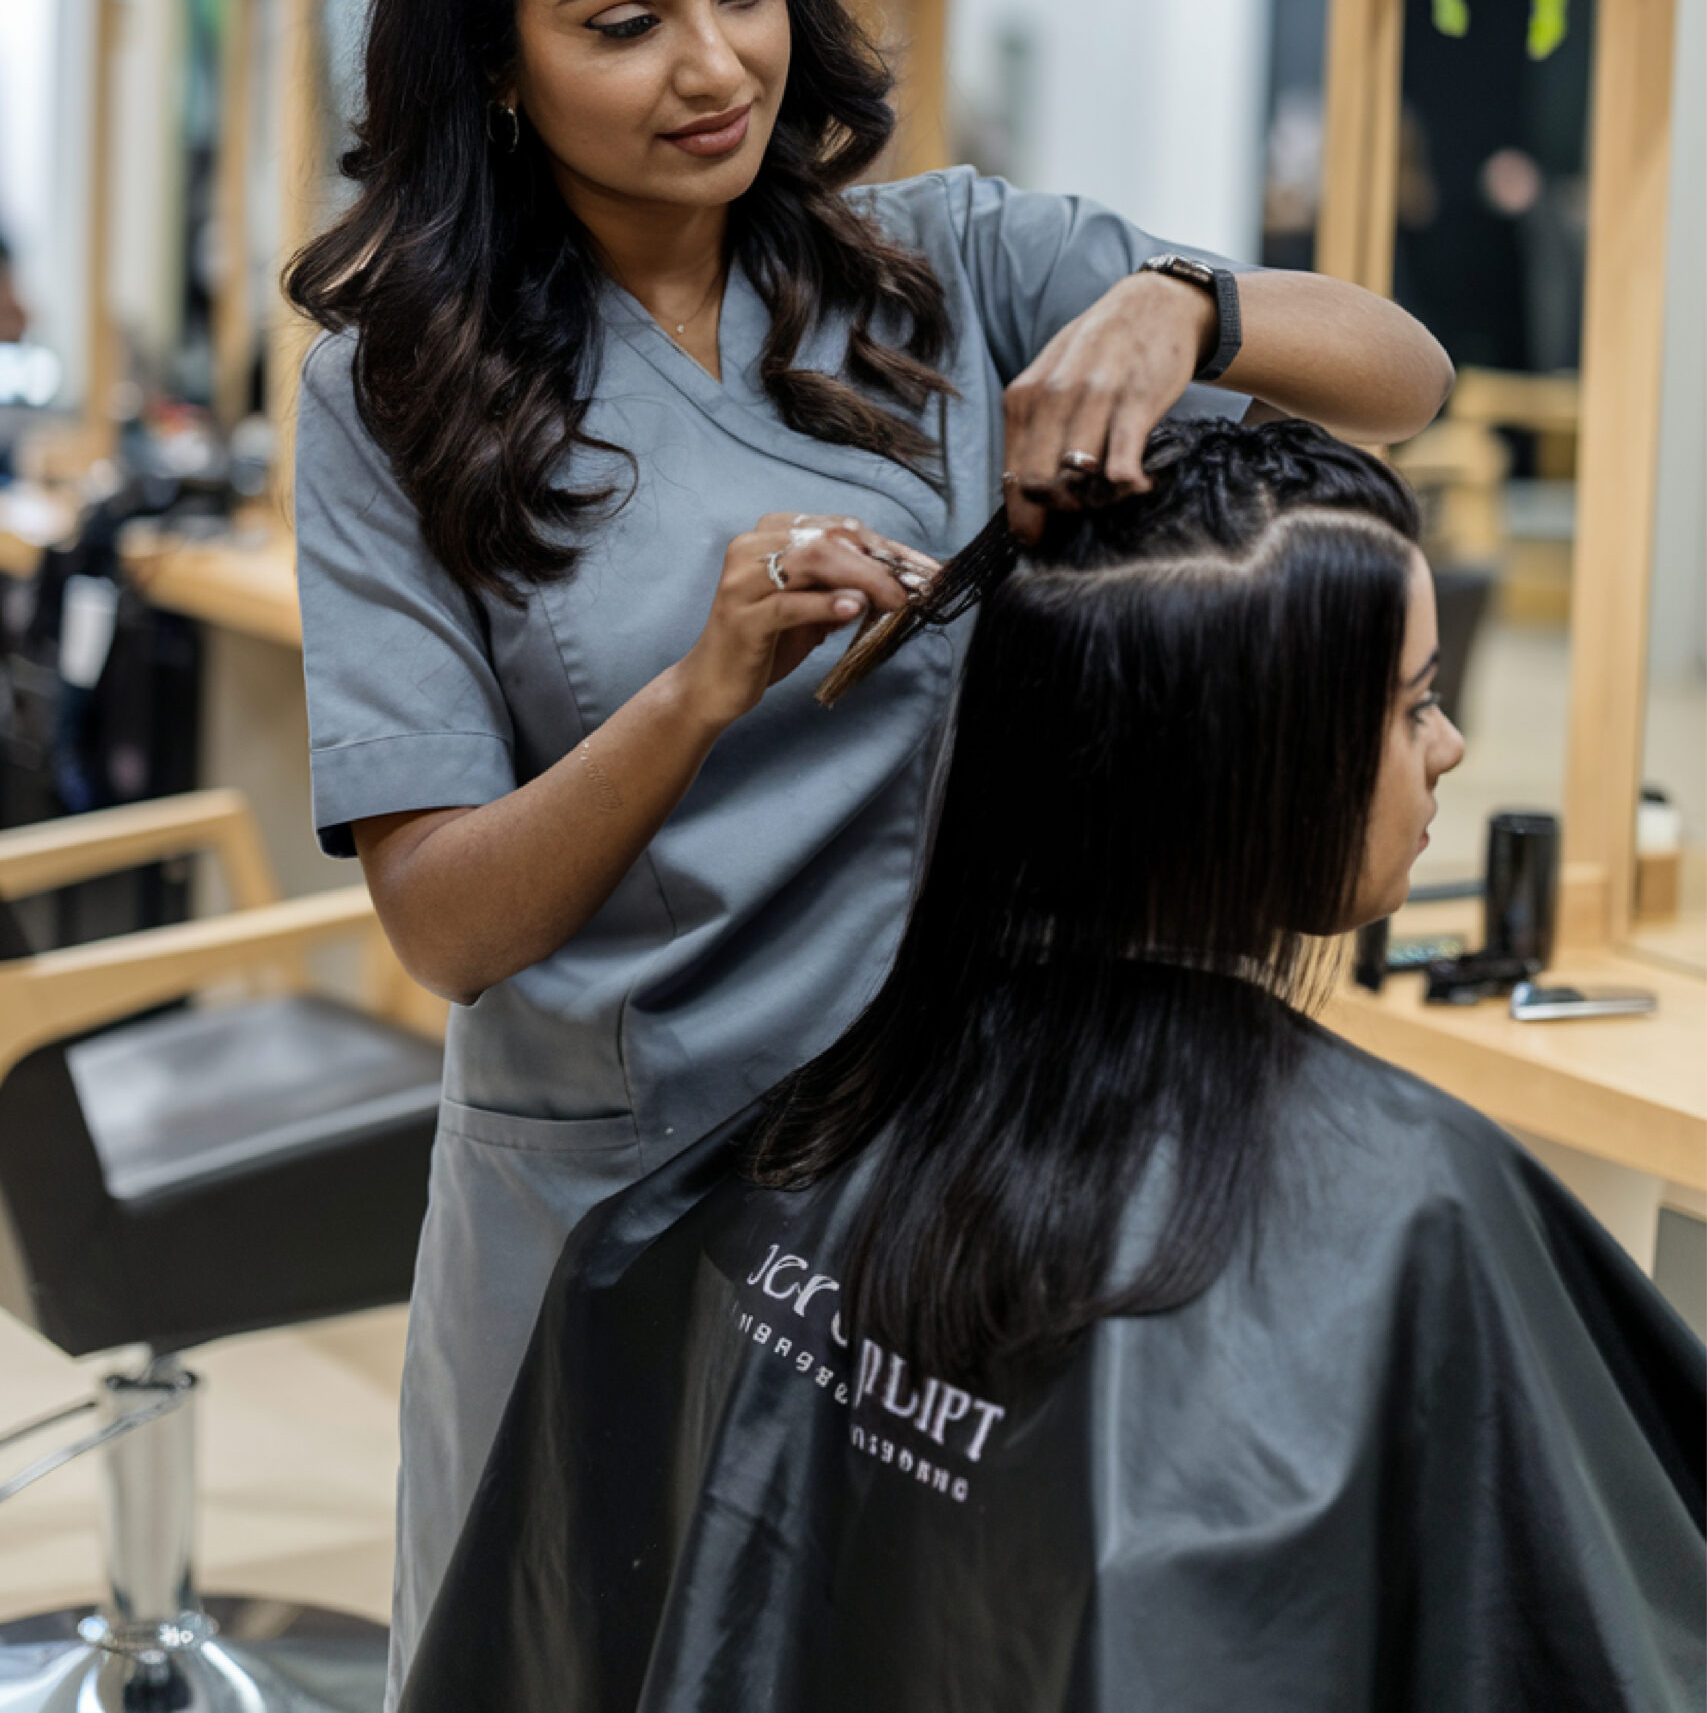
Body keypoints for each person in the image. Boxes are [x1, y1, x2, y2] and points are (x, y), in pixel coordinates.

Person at [287, 0, 1453, 1693]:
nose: (715, 64)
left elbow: (1398, 367)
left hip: (938, 1187)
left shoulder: (942, 263)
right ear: (496, 59)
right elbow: (447, 923)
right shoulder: (389, 396)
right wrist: (697, 687)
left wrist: (1183, 302)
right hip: (605, 1202)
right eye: (622, 18)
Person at [398, 418, 1705, 1713]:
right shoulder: (1420, 1199)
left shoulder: (847, 1110)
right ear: (1257, 761)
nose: (1452, 745)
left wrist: (1192, 303)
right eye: (1415, 702)